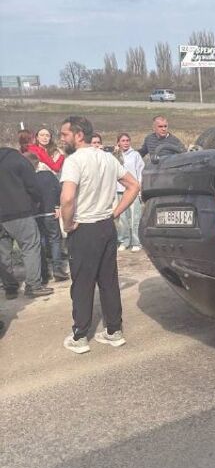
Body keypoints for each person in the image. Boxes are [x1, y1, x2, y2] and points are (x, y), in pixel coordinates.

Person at [59, 115, 140, 354]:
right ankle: (114, 331)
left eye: (65, 134)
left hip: (83, 228)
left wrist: (67, 222)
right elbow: (134, 185)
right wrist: (114, 213)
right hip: (106, 227)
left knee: (82, 284)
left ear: (78, 135)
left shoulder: (74, 161)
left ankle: (80, 335)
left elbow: (67, 197)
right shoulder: (107, 158)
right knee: (108, 281)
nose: (62, 139)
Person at [0, 146, 53, 298]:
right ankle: (33, 285)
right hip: (20, 211)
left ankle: (10, 288)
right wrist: (35, 202)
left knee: (3, 252)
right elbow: (33, 186)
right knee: (30, 246)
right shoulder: (19, 160)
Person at [24, 152, 69, 282]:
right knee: (55, 240)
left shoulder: (26, 179)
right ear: (38, 163)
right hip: (50, 212)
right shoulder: (48, 175)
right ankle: (58, 269)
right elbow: (59, 190)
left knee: (40, 242)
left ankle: (44, 272)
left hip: (35, 214)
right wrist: (57, 205)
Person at [114, 132, 145, 252]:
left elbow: (140, 171)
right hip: (120, 190)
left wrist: (139, 188)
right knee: (122, 219)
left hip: (133, 190)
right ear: (118, 143)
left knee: (134, 217)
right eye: (123, 141)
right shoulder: (115, 155)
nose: (126, 143)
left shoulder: (135, 155)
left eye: (127, 140)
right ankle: (124, 241)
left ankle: (136, 241)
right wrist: (115, 153)